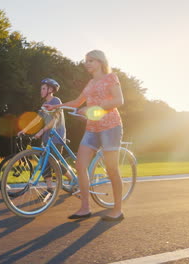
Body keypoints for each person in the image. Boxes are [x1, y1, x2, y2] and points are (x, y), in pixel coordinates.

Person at [44, 50, 125, 221]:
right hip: (92, 128)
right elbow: (77, 102)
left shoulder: (111, 78)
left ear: (100, 62)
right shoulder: (90, 83)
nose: (87, 63)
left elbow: (118, 100)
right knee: (80, 166)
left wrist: (94, 109)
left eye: (91, 60)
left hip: (110, 126)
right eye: (86, 60)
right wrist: (57, 107)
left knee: (112, 169)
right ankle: (85, 208)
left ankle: (117, 210)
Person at [17, 78, 67, 191]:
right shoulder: (44, 104)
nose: (41, 91)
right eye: (41, 88)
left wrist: (41, 131)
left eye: (43, 88)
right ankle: (50, 188)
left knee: (55, 163)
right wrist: (24, 130)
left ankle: (74, 180)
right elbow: (37, 119)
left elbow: (55, 119)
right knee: (44, 162)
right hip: (46, 138)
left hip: (56, 137)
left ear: (50, 89)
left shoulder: (56, 101)